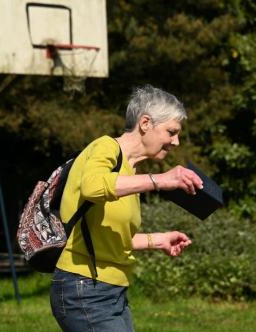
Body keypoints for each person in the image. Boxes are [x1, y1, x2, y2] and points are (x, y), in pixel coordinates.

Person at [50, 85, 203, 331]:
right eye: (171, 132)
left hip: (112, 293)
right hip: (84, 288)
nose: (176, 141)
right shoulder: (106, 147)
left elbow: (113, 237)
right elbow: (93, 187)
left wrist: (159, 240)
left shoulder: (130, 173)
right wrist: (160, 180)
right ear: (145, 123)